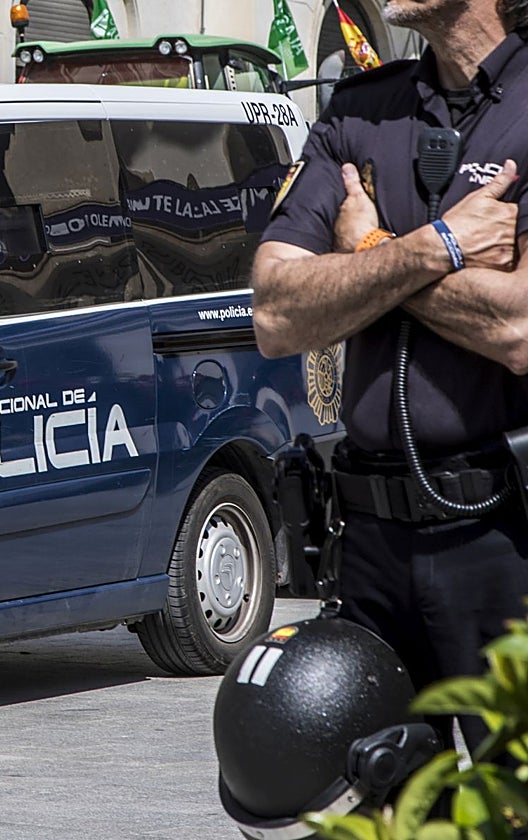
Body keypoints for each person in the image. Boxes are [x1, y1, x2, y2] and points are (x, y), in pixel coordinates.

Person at [252, 0, 528, 753]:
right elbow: (277, 314)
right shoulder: (361, 114)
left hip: (504, 536)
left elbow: (517, 328)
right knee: (380, 808)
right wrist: (432, 247)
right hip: (368, 543)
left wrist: (366, 248)